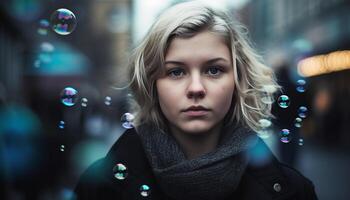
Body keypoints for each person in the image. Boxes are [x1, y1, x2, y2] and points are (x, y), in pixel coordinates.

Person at [74, 1, 317, 200]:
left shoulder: (293, 192)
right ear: (151, 85)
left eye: (213, 70)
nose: (196, 88)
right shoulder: (99, 189)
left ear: (239, 80)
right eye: (176, 72)